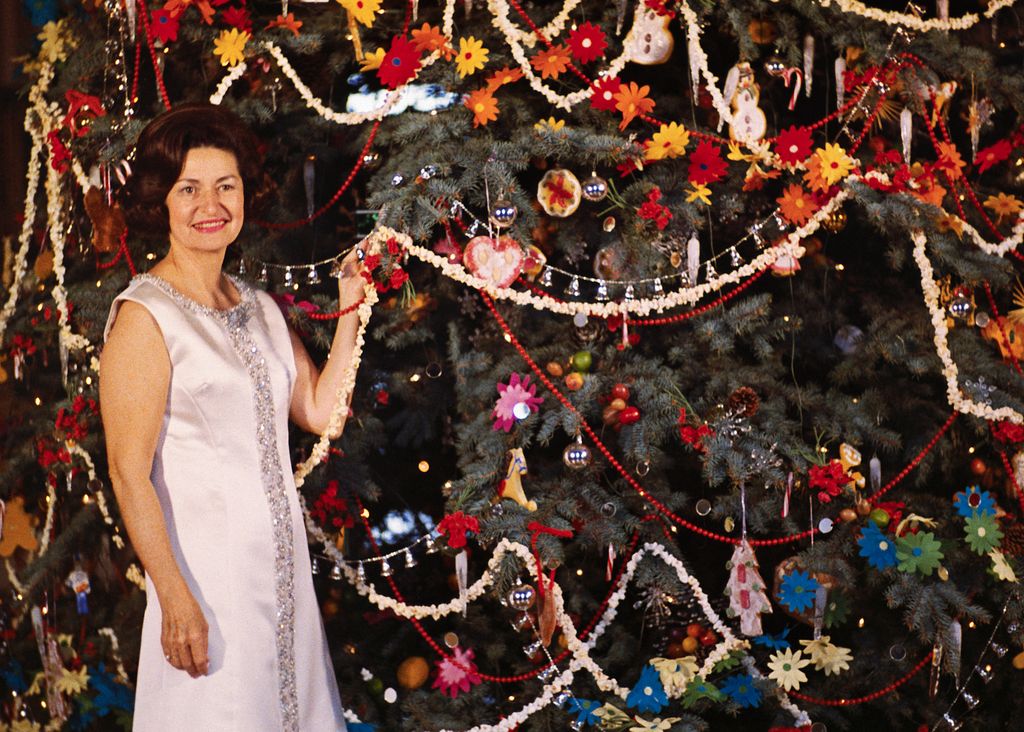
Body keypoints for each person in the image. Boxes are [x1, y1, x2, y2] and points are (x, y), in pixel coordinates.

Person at [99, 103, 361, 731]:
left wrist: (351, 308)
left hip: (281, 574)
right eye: (189, 189)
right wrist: (173, 595)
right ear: (162, 202)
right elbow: (127, 471)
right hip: (204, 584)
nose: (210, 204)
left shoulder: (263, 308)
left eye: (226, 186)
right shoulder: (144, 317)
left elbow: (323, 413)